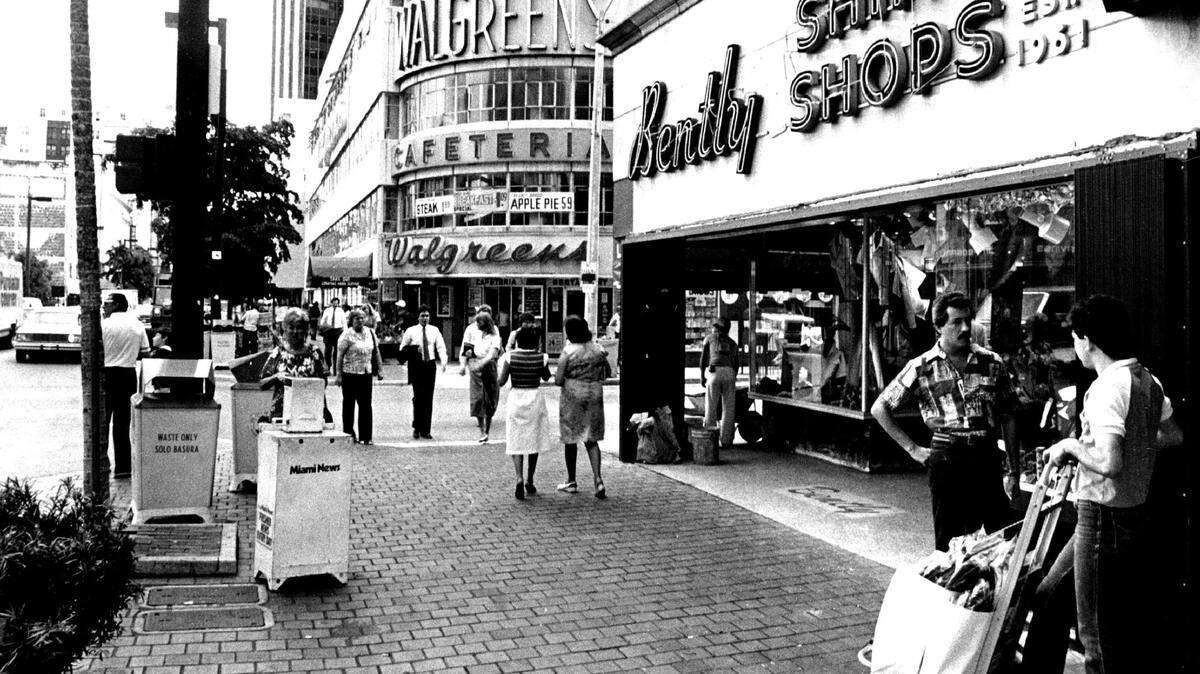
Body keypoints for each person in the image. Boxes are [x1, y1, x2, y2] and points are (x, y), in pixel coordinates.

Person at [1041, 294, 1182, 673]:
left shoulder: (1106, 387)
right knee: (1050, 593)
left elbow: (1108, 462)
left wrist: (1070, 445)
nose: (1075, 347)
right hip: (1130, 515)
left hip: (1101, 519)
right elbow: (1173, 436)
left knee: (1096, 637)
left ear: (1087, 339)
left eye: (1074, 338)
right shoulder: (1147, 380)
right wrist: (1131, 443)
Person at [871, 292, 1020, 551]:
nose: (965, 328)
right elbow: (880, 408)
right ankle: (950, 591)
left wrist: (1014, 471)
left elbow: (1008, 415)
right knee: (948, 543)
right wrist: (913, 449)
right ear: (939, 326)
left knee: (1000, 538)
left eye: (968, 320)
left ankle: (991, 590)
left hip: (986, 458)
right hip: (947, 459)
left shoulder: (991, 362)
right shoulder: (921, 367)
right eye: (956, 322)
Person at [555, 315, 611, 498]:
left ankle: (571, 480)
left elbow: (558, 379)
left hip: (573, 395)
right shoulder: (598, 349)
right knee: (591, 438)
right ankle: (598, 479)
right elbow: (607, 372)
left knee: (571, 438)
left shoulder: (568, 351)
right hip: (594, 393)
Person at [497, 327, 553, 499]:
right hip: (534, 399)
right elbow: (546, 377)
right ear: (535, 341)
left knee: (516, 439)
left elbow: (501, 381)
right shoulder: (541, 357)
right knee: (534, 440)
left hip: (516, 398)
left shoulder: (510, 357)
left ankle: (518, 477)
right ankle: (530, 479)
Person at [101, 292, 150, 478]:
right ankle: (123, 467)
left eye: (107, 303)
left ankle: (102, 463)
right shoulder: (137, 326)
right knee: (122, 423)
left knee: (103, 421)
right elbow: (145, 353)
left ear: (116, 305)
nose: (104, 307)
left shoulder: (103, 325)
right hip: (128, 374)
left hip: (107, 374)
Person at [259, 308, 332, 422]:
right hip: (281, 415)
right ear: (285, 329)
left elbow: (324, 383)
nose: (295, 331)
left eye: (299, 327)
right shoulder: (278, 353)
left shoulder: (315, 352)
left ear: (305, 330)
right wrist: (276, 376)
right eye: (291, 327)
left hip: (310, 413)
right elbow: (262, 384)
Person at [335, 309, 384, 444]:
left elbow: (376, 352)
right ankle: (349, 433)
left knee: (366, 405)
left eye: (362, 318)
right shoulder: (346, 335)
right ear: (352, 320)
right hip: (349, 374)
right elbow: (339, 355)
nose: (360, 321)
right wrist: (338, 374)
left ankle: (366, 436)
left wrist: (380, 369)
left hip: (365, 373)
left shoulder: (370, 333)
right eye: (357, 318)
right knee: (349, 405)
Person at [399, 305, 447, 439]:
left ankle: (426, 429)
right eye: (422, 316)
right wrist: (414, 350)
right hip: (416, 365)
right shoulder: (411, 331)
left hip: (429, 365)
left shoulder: (435, 330)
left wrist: (443, 360)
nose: (425, 318)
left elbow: (441, 346)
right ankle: (417, 426)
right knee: (418, 397)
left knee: (428, 398)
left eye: (427, 316)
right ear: (418, 317)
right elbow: (402, 348)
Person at [460, 304, 503, 443]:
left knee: (491, 399)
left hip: (489, 367)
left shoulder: (495, 334)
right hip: (475, 365)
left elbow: (493, 353)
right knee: (478, 397)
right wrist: (464, 362)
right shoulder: (471, 329)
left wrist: (483, 363)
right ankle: (483, 430)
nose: (476, 323)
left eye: (479, 321)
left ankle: (487, 423)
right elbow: (466, 347)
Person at [700, 317, 740, 449]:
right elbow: (736, 363)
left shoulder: (709, 339)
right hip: (729, 372)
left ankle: (710, 440)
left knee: (711, 407)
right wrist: (733, 376)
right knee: (728, 408)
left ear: (716, 327)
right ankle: (727, 441)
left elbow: (703, 359)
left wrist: (702, 377)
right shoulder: (732, 342)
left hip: (714, 372)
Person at [319, 298, 347, 370]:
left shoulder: (341, 311)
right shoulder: (327, 310)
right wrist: (323, 327)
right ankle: (327, 365)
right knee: (328, 349)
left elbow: (344, 322)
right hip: (329, 331)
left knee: (337, 349)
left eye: (336, 303)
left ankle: (336, 366)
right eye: (334, 303)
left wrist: (345, 333)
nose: (335, 304)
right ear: (331, 303)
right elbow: (323, 320)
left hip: (338, 331)